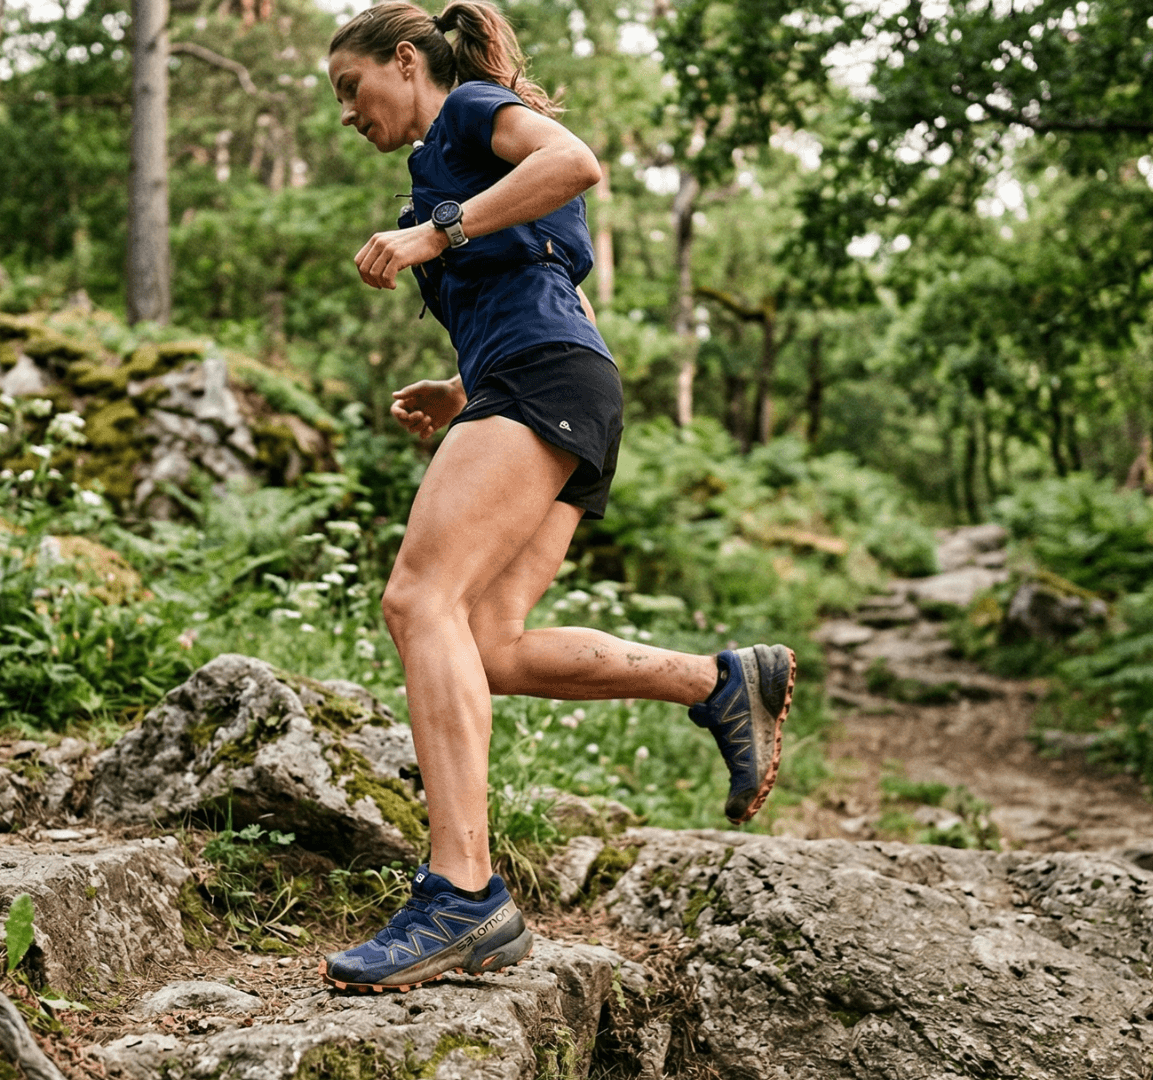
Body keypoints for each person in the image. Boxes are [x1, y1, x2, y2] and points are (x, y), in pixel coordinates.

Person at [320, 0, 796, 994]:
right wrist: (460, 388)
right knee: (486, 642)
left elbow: (575, 162)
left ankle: (462, 892)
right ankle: (715, 683)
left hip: (545, 381)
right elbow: (550, 282)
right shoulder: (440, 170)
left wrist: (434, 236)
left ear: (405, 61)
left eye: (351, 89)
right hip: (558, 377)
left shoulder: (469, 115)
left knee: (418, 601)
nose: (347, 114)